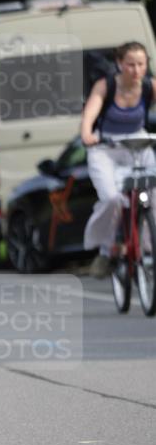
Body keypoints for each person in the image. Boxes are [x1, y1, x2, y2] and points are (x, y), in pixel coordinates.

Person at [81, 41, 156, 278]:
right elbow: (90, 114)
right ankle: (105, 250)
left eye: (141, 65)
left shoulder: (149, 87)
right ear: (119, 64)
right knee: (112, 199)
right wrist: (87, 133)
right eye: (130, 65)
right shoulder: (106, 86)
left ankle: (148, 247)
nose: (136, 71)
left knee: (154, 195)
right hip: (107, 148)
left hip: (139, 144)